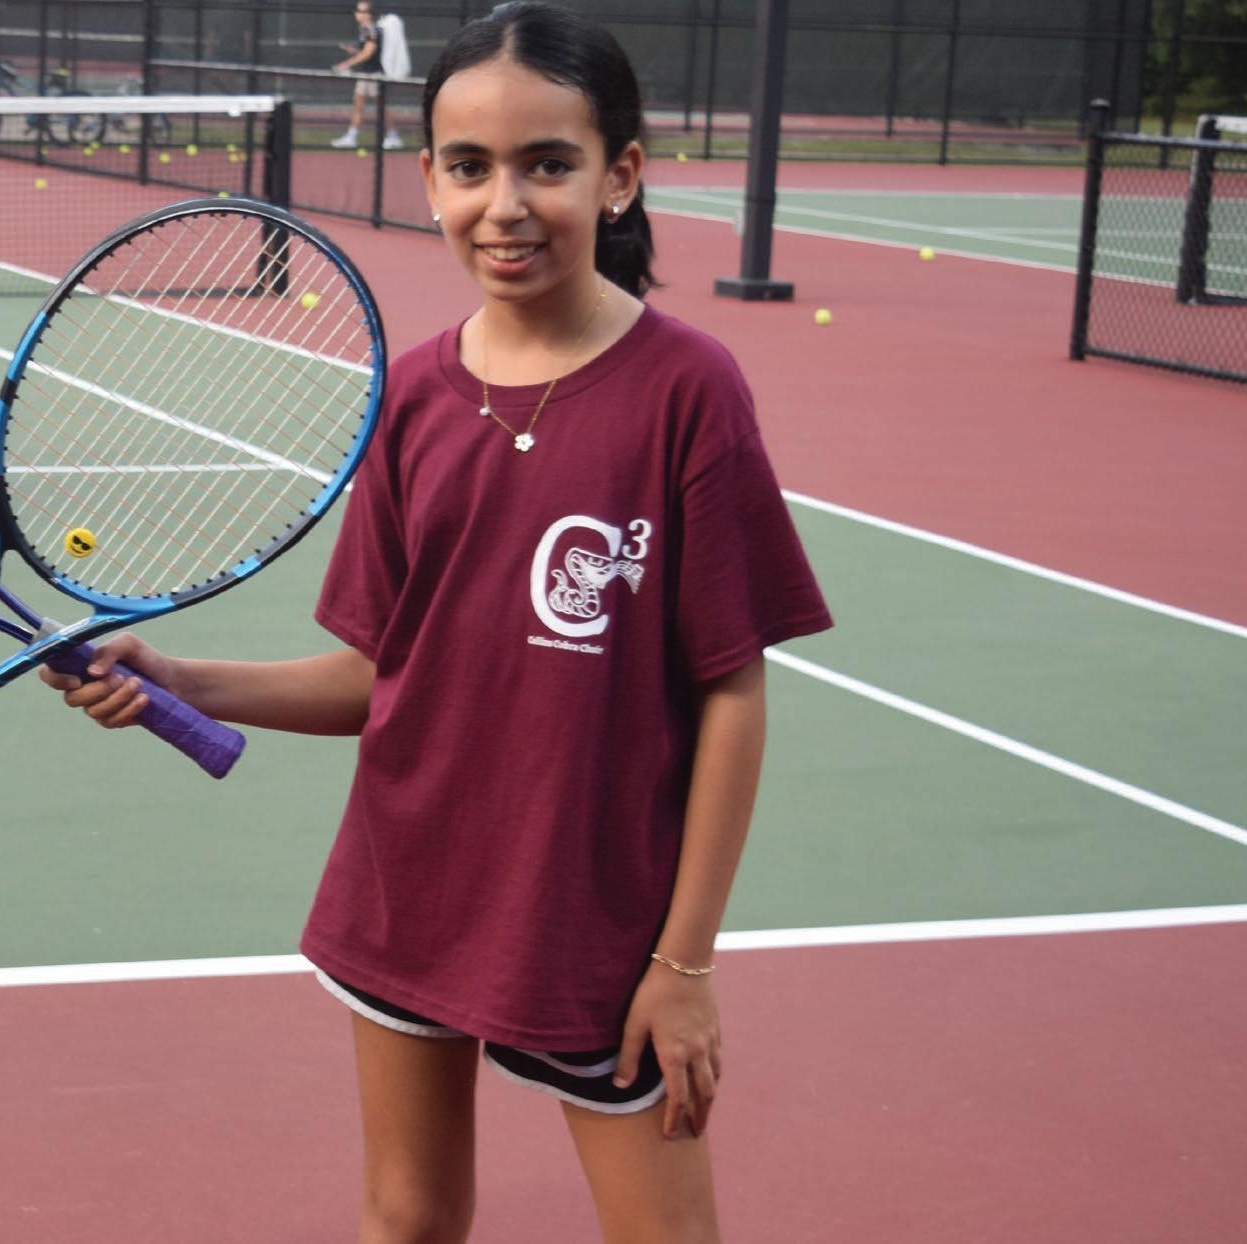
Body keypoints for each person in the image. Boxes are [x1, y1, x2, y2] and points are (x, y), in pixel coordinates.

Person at [44, 5, 832, 1241]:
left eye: (547, 164)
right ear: (428, 180)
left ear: (619, 174)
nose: (503, 204)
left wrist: (683, 963)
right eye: (469, 167)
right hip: (406, 887)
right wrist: (179, 676)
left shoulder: (687, 391)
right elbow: (379, 673)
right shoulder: (410, 395)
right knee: (407, 1216)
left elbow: (729, 692)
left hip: (596, 918)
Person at [331, 1, 402, 150]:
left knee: (380, 107)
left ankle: (394, 136)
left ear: (369, 14)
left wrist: (346, 64)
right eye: (358, 11)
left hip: (374, 75)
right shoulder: (364, 30)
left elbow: (368, 53)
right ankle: (352, 137)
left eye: (362, 11)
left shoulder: (371, 29)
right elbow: (366, 52)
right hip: (365, 74)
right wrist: (354, 51)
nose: (358, 14)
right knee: (358, 105)